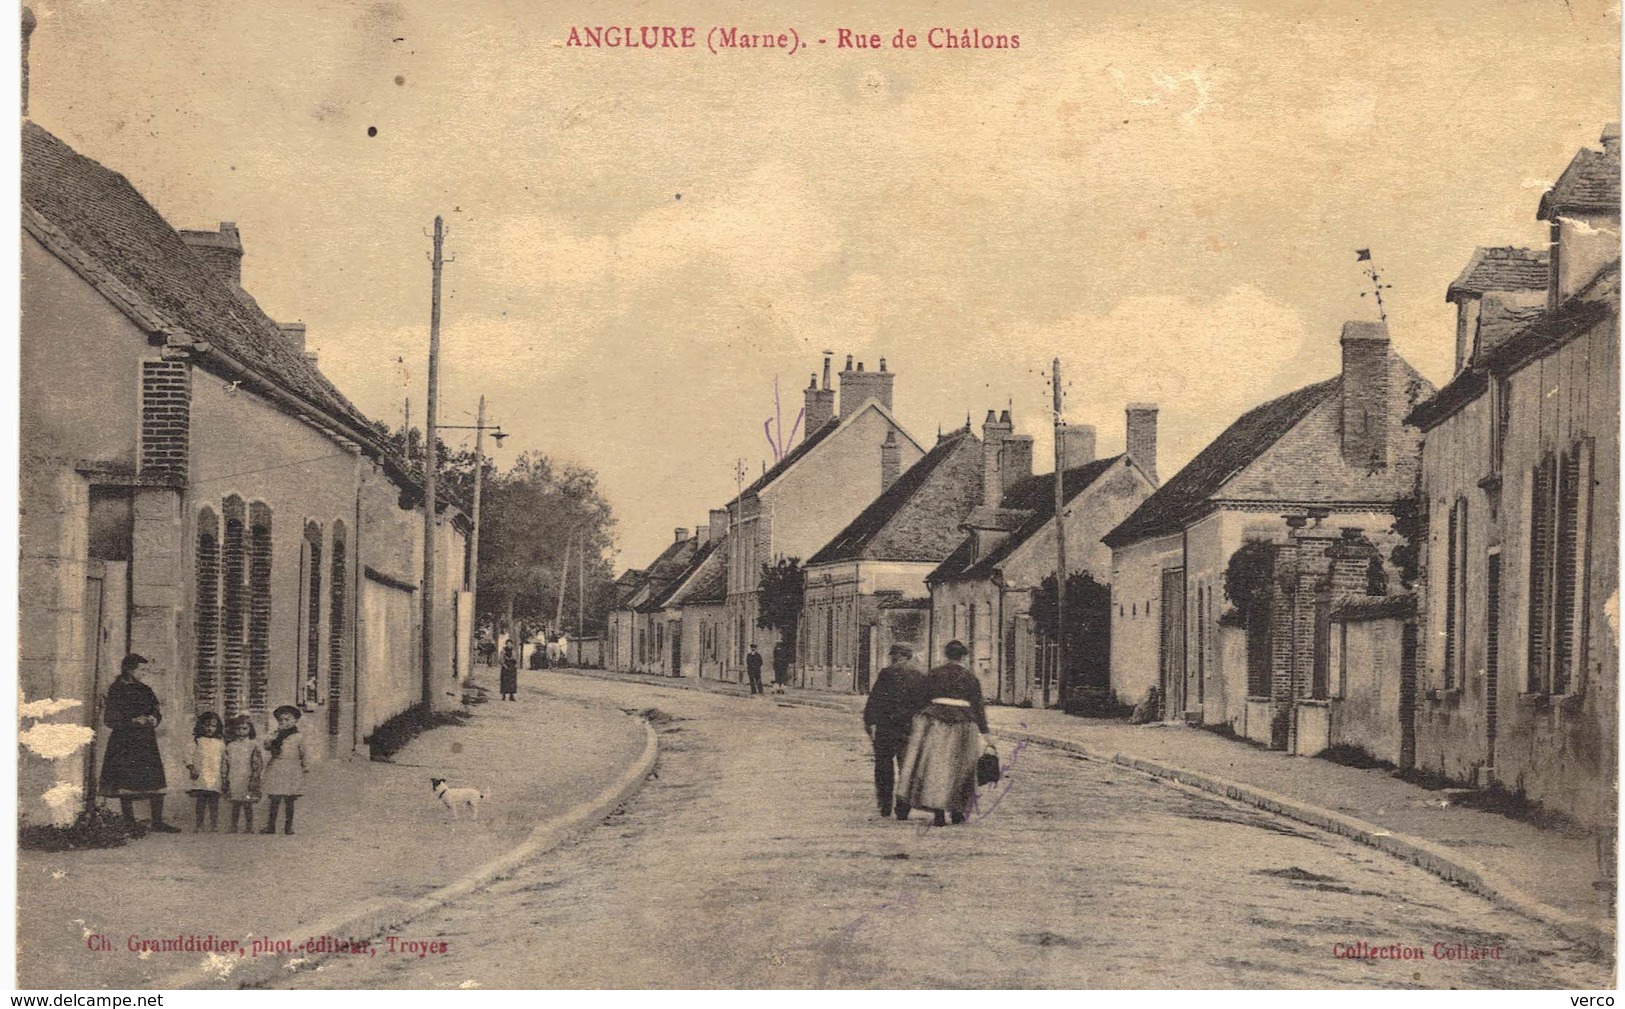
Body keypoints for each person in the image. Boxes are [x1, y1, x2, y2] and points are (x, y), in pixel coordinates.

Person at [897, 640, 992, 827]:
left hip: (936, 723)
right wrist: (985, 732)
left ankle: (938, 812)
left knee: (936, 769)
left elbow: (920, 700)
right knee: (962, 768)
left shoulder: (934, 674)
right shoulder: (970, 678)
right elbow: (978, 707)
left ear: (946, 655)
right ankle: (957, 811)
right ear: (964, 656)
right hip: (964, 725)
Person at [99, 653, 179, 832]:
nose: (144, 673)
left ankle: (157, 822)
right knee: (125, 781)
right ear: (129, 669)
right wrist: (133, 720)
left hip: (145, 741)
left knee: (154, 779)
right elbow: (110, 718)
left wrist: (153, 718)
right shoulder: (117, 689)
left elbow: (156, 710)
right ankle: (129, 822)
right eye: (141, 669)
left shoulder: (146, 690)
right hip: (125, 741)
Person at [863, 643, 926, 820]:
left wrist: (869, 722)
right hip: (909, 726)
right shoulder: (919, 675)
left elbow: (874, 700)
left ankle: (885, 805)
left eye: (894, 655)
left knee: (883, 766)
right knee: (907, 767)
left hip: (887, 726)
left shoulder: (887, 673)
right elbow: (924, 703)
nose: (892, 658)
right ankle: (903, 807)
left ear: (900, 655)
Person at [261, 705, 307, 835]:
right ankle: (271, 826)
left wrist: (305, 767)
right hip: (277, 766)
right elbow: (267, 747)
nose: (284, 723)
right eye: (281, 721)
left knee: (289, 799)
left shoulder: (298, 736)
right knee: (274, 798)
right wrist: (273, 738)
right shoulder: (276, 735)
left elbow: (304, 753)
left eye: (287, 720)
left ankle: (288, 826)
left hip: (292, 768)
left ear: (295, 720)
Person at [221, 713, 263, 833]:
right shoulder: (230, 746)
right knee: (235, 803)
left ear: (250, 729)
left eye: (244, 728)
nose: (241, 731)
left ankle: (249, 827)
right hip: (234, 777)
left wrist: (255, 778)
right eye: (238, 729)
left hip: (248, 777)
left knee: (247, 803)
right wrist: (224, 778)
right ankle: (234, 826)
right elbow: (225, 762)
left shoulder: (253, 745)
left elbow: (257, 764)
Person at [186, 711, 226, 832]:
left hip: (215, 775)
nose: (210, 728)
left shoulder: (220, 742)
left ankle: (214, 825)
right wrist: (192, 768)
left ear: (217, 727)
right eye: (207, 725)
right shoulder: (197, 741)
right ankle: (199, 824)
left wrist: (224, 775)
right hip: (201, 774)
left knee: (214, 802)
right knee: (201, 801)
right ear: (201, 725)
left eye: (213, 726)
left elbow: (224, 758)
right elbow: (188, 756)